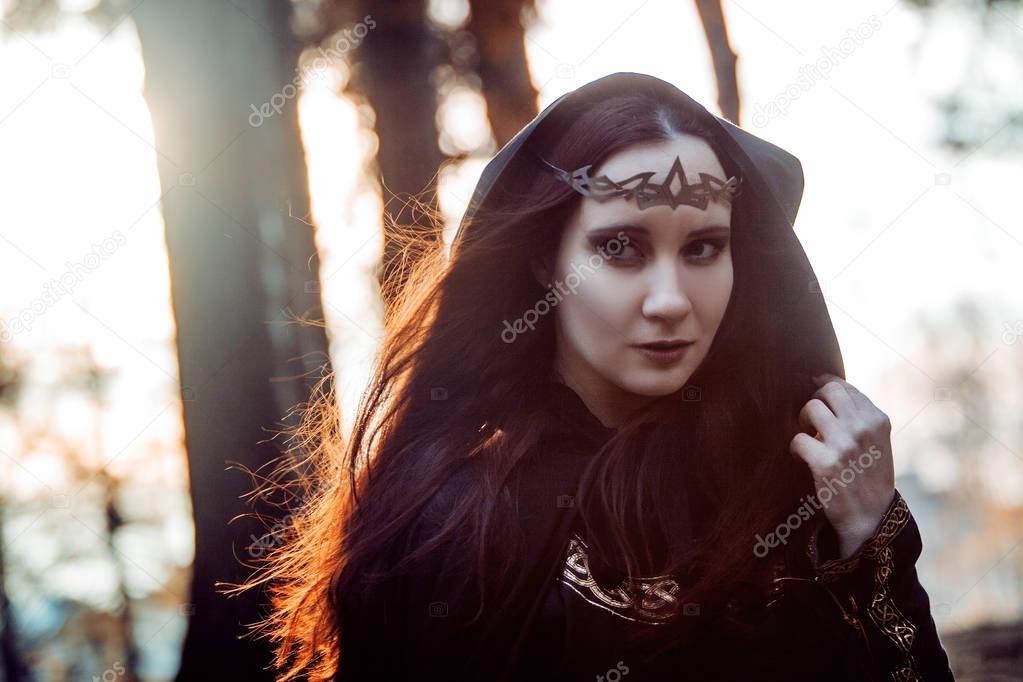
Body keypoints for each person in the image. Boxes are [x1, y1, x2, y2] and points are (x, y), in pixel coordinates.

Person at [242, 72, 956, 681]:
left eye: (705, 246)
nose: (671, 299)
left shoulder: (794, 492)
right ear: (540, 261)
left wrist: (869, 538)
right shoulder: (452, 523)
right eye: (619, 247)